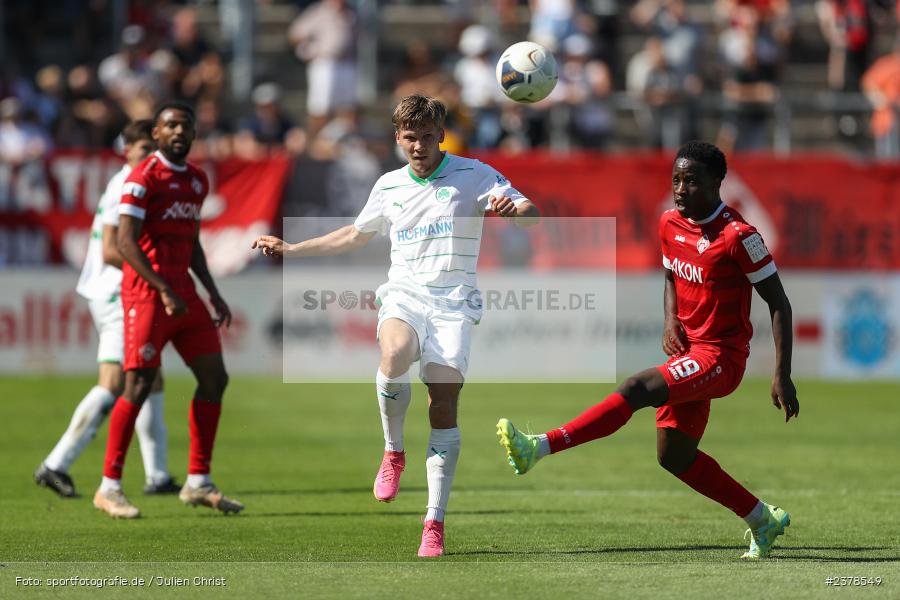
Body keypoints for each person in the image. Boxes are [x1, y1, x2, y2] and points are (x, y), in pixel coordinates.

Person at [252, 94, 540, 557]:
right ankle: (393, 451)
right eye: (411, 137)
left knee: (442, 406)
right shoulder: (388, 186)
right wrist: (293, 249)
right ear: (397, 138)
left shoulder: (474, 174)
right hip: (405, 295)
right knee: (394, 353)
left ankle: (434, 522)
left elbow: (530, 212)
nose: (419, 146)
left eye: (427, 136)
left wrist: (516, 212)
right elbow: (354, 234)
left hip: (454, 304)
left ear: (441, 135)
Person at [498, 141, 798, 560]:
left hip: (721, 358)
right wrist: (670, 319)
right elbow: (671, 276)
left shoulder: (739, 236)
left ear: (717, 182)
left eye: (692, 181)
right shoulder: (669, 223)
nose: (681, 189)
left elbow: (779, 303)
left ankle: (539, 447)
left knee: (636, 388)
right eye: (676, 180)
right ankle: (762, 519)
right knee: (674, 456)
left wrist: (782, 373)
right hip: (688, 354)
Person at [92, 101, 242, 519]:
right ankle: (109, 487)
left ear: (193, 134)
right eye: (170, 125)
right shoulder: (141, 179)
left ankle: (198, 481)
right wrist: (161, 288)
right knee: (138, 385)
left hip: (183, 293)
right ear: (156, 134)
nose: (179, 131)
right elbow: (125, 242)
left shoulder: (196, 179)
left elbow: (192, 243)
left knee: (215, 378)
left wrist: (213, 292)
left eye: (185, 126)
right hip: (146, 293)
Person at [35, 120, 179, 498]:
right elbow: (112, 251)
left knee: (151, 377)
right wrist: (156, 276)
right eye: (144, 149)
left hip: (124, 292)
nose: (151, 156)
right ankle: (56, 464)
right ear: (127, 151)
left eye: (155, 149)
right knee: (114, 382)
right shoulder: (126, 184)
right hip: (117, 295)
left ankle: (158, 475)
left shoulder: (134, 181)